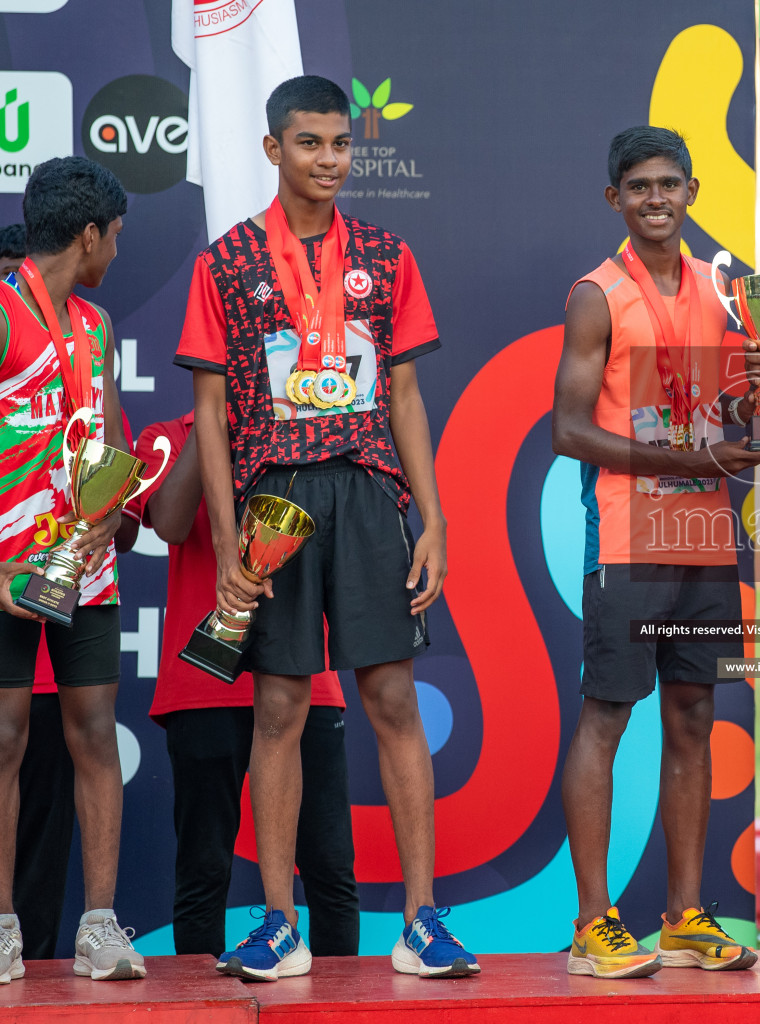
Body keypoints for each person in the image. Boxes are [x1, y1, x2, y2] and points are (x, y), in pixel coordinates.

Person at [173, 75, 474, 981]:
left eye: (342, 144)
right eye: (310, 143)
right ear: (274, 150)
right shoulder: (225, 262)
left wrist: (433, 517)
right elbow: (213, 415)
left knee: (390, 699)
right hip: (276, 502)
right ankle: (277, 923)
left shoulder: (385, 255)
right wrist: (229, 546)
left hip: (368, 493)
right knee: (279, 707)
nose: (330, 160)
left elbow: (409, 398)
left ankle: (423, 923)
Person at [551, 125, 760, 979]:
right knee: (607, 717)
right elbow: (568, 428)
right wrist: (677, 459)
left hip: (707, 536)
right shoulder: (597, 294)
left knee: (692, 716)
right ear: (616, 199)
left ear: (692, 192)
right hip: (629, 539)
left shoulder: (729, 293)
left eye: (668, 184)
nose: (654, 198)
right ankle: (593, 922)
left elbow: (740, 410)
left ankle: (683, 914)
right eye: (638, 186)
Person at [126, 409, 359, 958]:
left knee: (329, 868)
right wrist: (217, 423)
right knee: (204, 870)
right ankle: (202, 1013)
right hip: (203, 684)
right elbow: (171, 523)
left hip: (304, 679)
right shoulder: (166, 435)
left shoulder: (300, 426)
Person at [0, 156, 146, 981]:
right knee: (5, 738)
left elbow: (111, 434)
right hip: (6, 570)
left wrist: (118, 506)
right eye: (115, 237)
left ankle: (99, 927)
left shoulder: (96, 324)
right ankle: (2, 929)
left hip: (83, 568)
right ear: (87, 235)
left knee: (93, 731)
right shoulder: (2, 312)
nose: (117, 252)